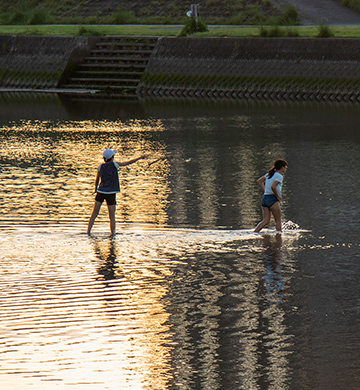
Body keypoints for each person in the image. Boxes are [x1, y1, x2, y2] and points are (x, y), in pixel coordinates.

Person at [87, 148, 148, 235]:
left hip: (100, 192)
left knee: (94, 214)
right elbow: (128, 162)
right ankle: (113, 234)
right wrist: (139, 158)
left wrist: (95, 189)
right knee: (112, 216)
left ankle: (88, 232)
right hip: (111, 194)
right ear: (112, 157)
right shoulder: (115, 165)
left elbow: (97, 179)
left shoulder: (100, 167)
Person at [254, 159, 288, 233]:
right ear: (282, 167)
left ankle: (255, 232)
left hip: (264, 198)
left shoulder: (269, 174)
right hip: (272, 198)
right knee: (278, 220)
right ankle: (279, 238)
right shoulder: (279, 176)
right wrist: (278, 196)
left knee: (265, 221)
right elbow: (273, 186)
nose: (285, 169)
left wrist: (265, 190)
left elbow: (259, 181)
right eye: (285, 167)